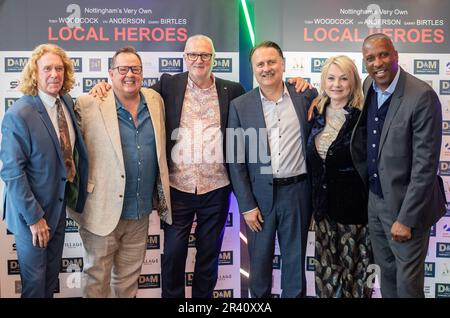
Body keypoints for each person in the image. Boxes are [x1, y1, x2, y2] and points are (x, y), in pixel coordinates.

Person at [90, 35, 309, 298]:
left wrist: (298, 81)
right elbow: (131, 90)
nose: (199, 60)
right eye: (193, 55)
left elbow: (239, 144)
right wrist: (104, 87)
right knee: (172, 255)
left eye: (205, 55)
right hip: (177, 188)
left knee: (209, 256)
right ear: (185, 58)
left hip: (216, 189)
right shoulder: (168, 85)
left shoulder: (233, 91)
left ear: (214, 58)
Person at [70, 46, 171, 297]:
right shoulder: (89, 103)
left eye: (135, 69)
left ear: (142, 72)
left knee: (128, 283)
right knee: (96, 280)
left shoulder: (155, 101)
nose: (129, 74)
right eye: (122, 69)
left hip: (139, 213)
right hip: (100, 211)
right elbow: (71, 153)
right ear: (110, 74)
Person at [351, 33, 446, 298]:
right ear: (365, 63)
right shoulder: (369, 85)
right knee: (388, 276)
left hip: (407, 208)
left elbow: (425, 166)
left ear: (396, 56)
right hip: (376, 202)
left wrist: (406, 218)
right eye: (370, 58)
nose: (378, 62)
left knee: (407, 286)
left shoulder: (421, 96)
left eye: (383, 55)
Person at [227, 41, 317, 298]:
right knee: (259, 268)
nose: (267, 68)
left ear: (283, 64)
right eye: (260, 64)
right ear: (254, 69)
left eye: (271, 62)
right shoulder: (240, 106)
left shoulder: (305, 95)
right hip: (259, 199)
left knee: (294, 267)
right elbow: (236, 160)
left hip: (298, 193)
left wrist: (307, 83)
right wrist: (246, 205)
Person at [0, 43, 88, 297]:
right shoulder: (20, 113)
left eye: (59, 68)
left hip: (57, 209)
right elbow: (12, 173)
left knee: (50, 280)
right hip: (32, 216)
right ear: (34, 74)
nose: (54, 74)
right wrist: (35, 218)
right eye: (47, 68)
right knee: (35, 286)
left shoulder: (66, 103)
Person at [306, 55, 372, 298]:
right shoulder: (316, 112)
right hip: (323, 215)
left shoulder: (364, 116)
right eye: (331, 78)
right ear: (323, 81)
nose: (336, 84)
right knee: (326, 282)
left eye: (343, 78)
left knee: (355, 282)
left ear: (353, 81)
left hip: (355, 216)